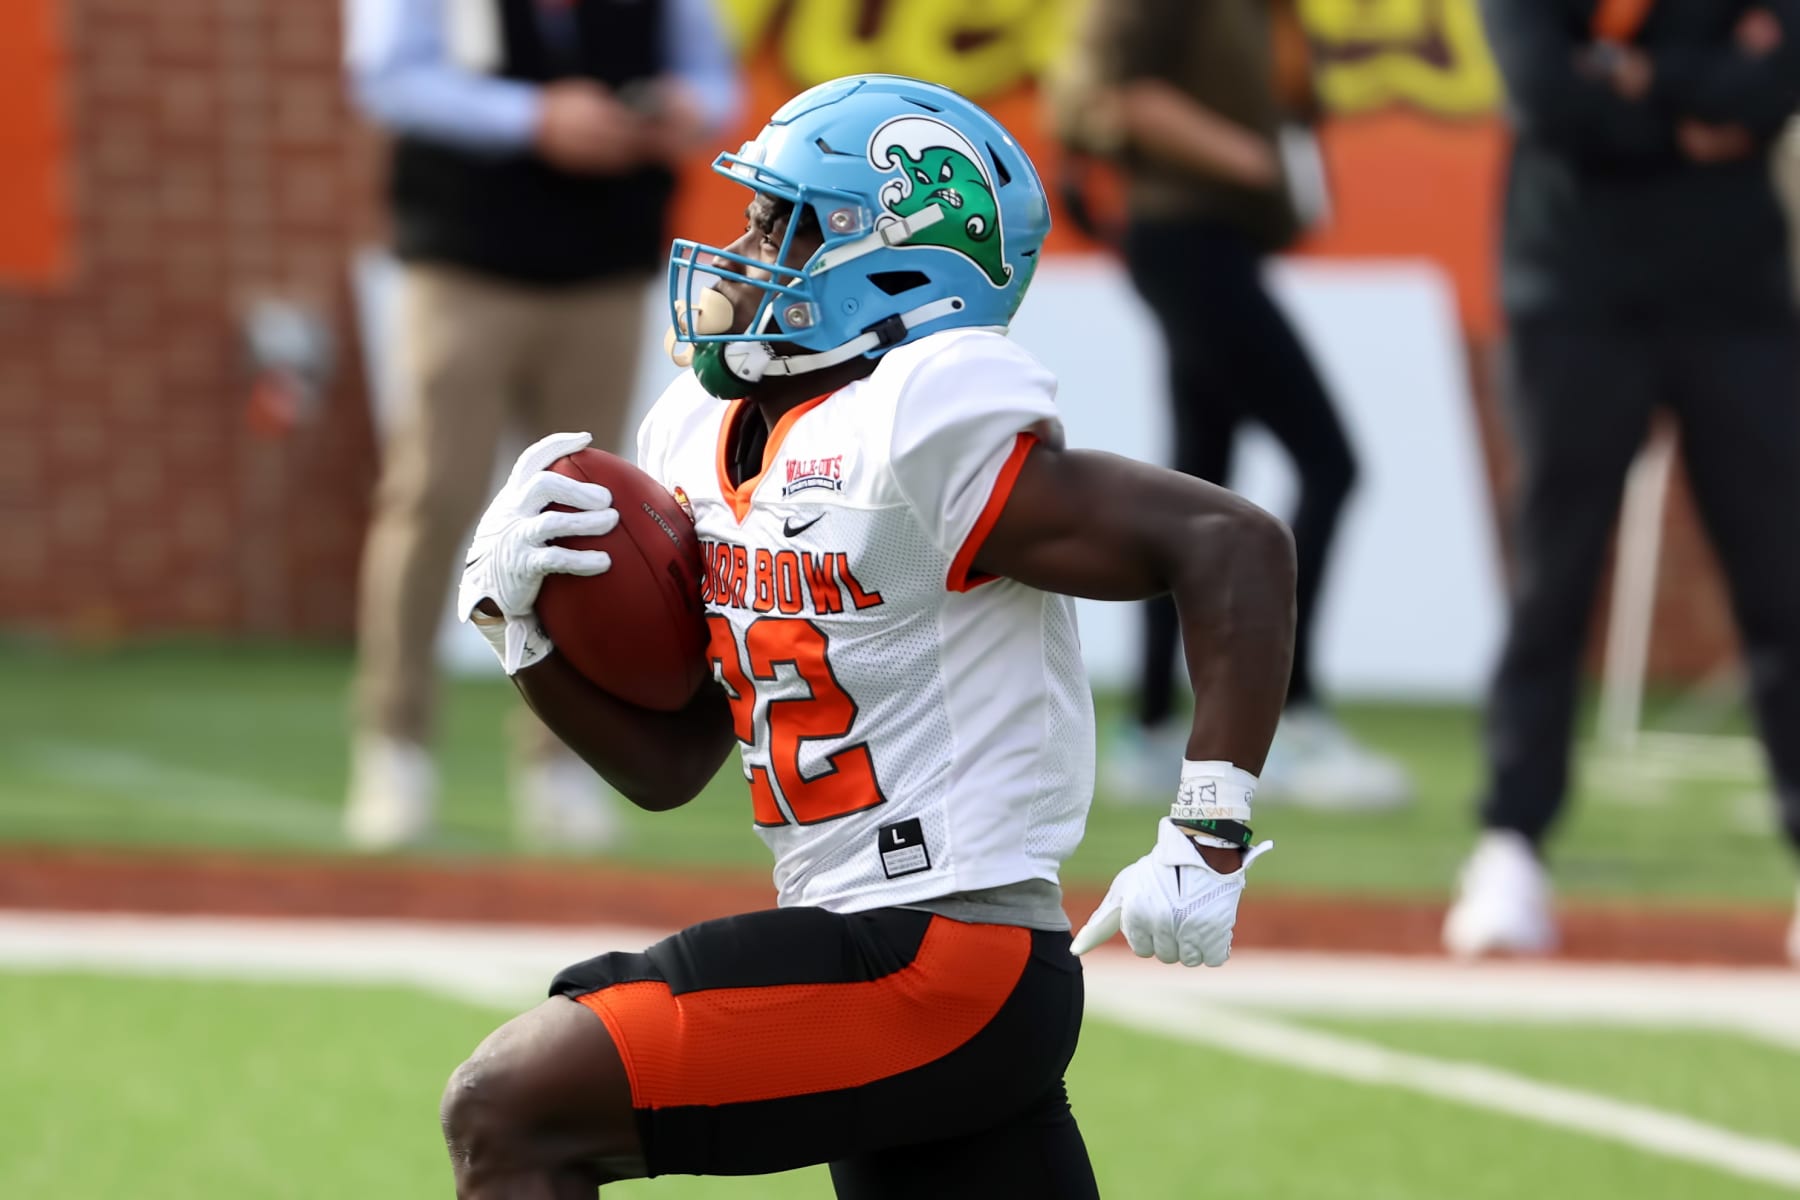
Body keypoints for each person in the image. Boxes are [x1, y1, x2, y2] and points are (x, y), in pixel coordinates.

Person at [442, 74, 1295, 1196]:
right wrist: (527, 638)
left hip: (946, 957)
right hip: (870, 949)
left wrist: (1209, 832)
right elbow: (672, 762)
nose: (741, 247)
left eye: (781, 223)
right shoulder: (699, 431)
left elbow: (1231, 545)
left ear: (891, 259)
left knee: (512, 1104)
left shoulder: (920, 419)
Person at [340, 0, 741, 851]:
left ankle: (562, 763)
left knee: (593, 520)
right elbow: (387, 77)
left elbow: (717, 82)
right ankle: (393, 747)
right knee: (431, 497)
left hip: (605, 264)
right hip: (464, 260)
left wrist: (680, 107)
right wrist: (534, 118)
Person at [1446, 1, 1800, 959]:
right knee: (1552, 580)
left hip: (1740, 302)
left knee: (1783, 582)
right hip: (1574, 293)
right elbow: (1551, 97)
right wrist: (1696, 105)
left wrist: (1640, 73)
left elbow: (1775, 87)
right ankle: (1511, 843)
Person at [1048, 0, 1411, 811]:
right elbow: (1101, 92)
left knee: (1196, 486)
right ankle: (1292, 716)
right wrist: (1245, 156)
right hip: (1185, 239)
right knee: (1330, 464)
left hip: (1221, 243)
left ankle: (1150, 728)